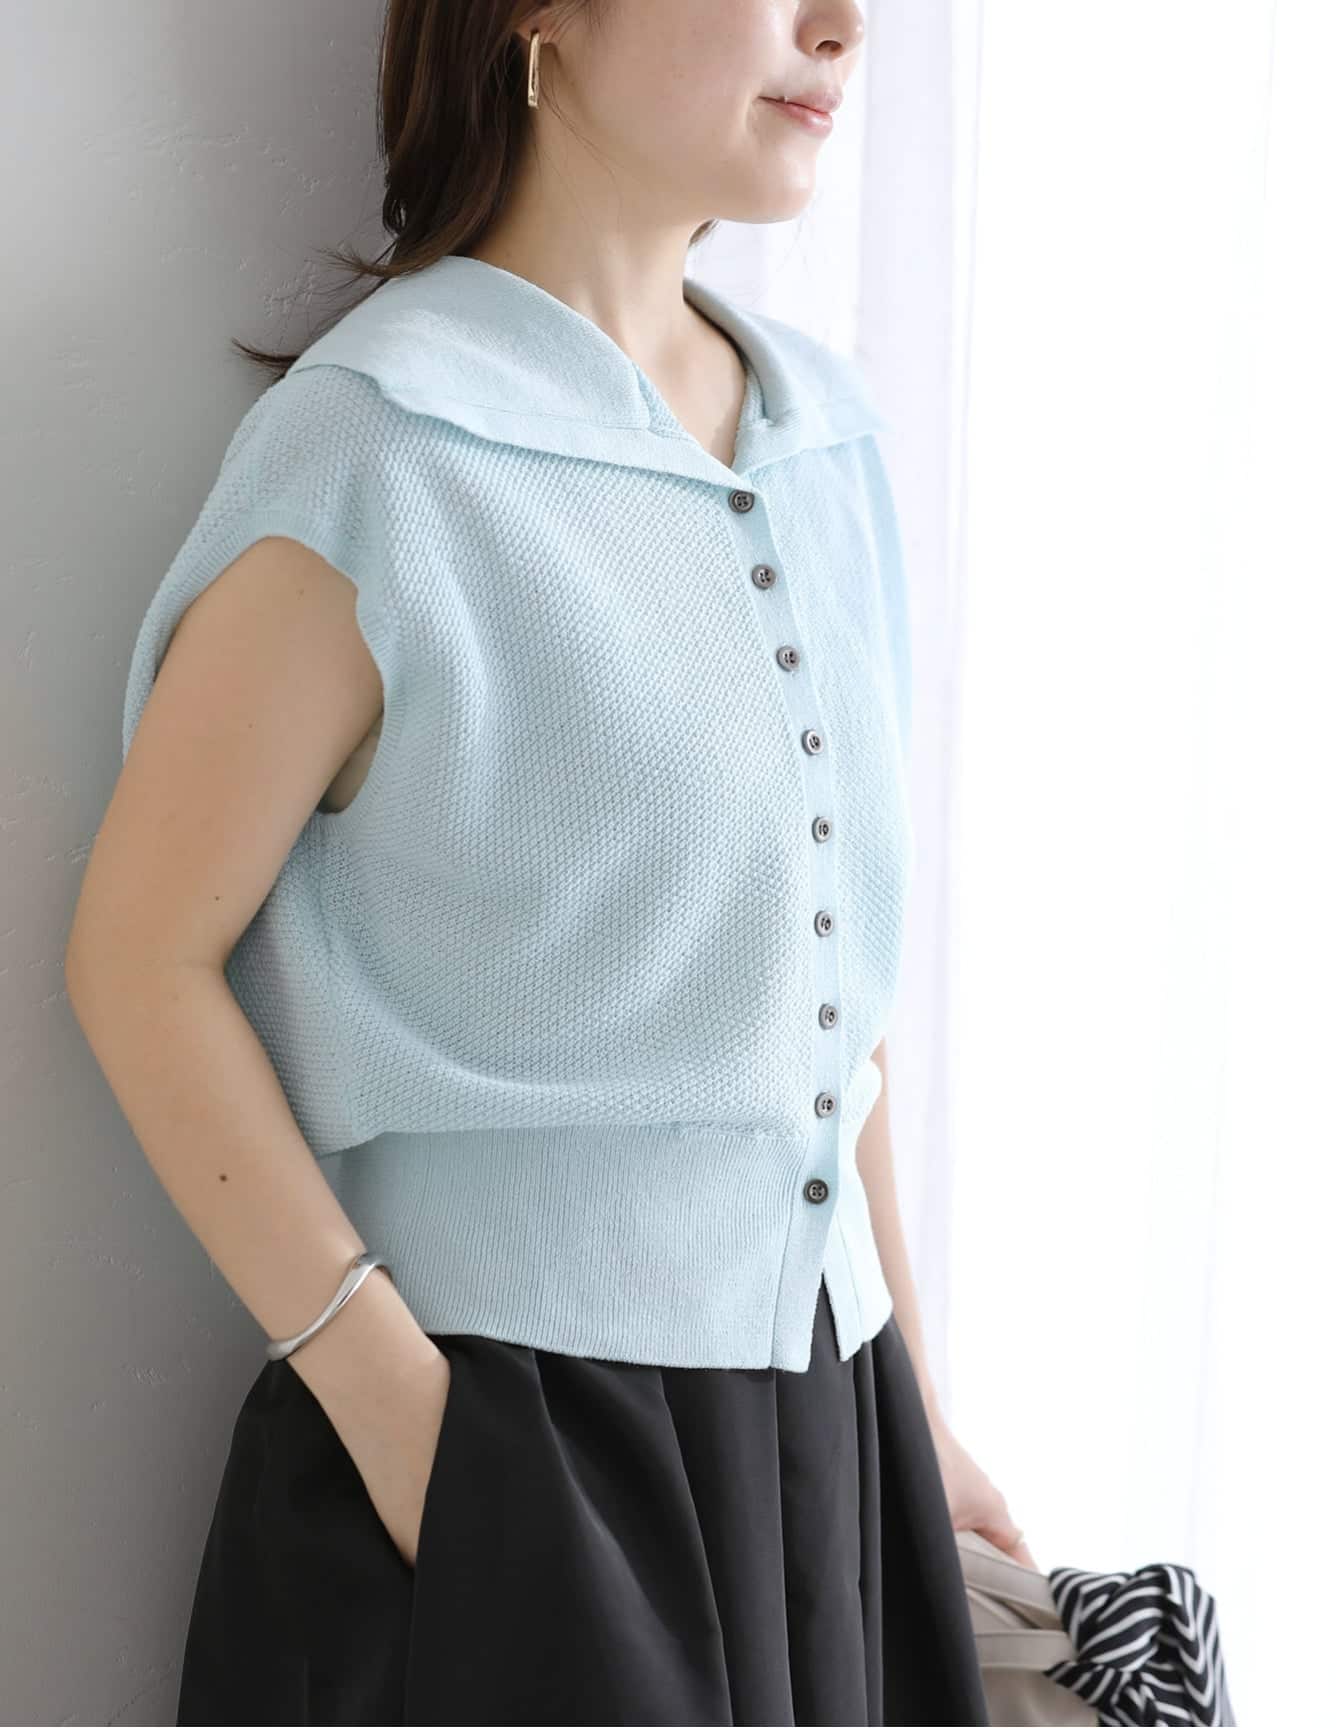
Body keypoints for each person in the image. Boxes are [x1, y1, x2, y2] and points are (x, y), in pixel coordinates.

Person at [65, 2, 1032, 1722]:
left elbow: (836, 1014)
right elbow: (139, 958)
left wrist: (922, 1414)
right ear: (542, 15)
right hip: (520, 1443)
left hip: (828, 1438)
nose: (842, 26)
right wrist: (409, 1427)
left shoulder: (829, 438)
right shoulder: (386, 445)